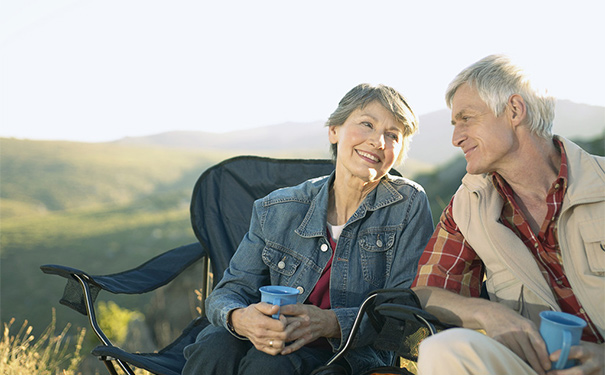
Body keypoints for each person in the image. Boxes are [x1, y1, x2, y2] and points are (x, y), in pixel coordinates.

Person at [182, 83, 434, 375]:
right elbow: (227, 293)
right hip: (263, 339)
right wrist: (240, 318)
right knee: (214, 348)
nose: (378, 141)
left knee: (268, 365)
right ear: (334, 130)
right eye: (367, 124)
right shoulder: (276, 208)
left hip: (345, 355)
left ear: (400, 150)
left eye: (393, 135)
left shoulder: (408, 205)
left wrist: (329, 323)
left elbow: (404, 313)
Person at [412, 54, 604, 375]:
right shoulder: (467, 206)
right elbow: (426, 292)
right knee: (444, 350)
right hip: (536, 368)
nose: (456, 137)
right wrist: (489, 314)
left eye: (466, 118)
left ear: (514, 110)